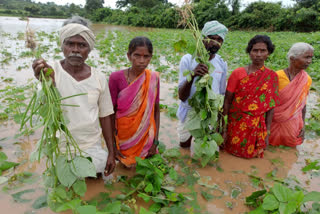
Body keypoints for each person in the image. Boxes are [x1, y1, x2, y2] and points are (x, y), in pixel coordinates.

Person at [32, 16, 116, 176]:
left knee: (95, 181)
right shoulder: (50, 71)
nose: (75, 50)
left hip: (91, 145)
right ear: (62, 45)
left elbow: (105, 116)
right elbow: (44, 108)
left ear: (89, 48)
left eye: (82, 45)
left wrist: (111, 152)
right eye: (70, 43)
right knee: (63, 188)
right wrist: (46, 84)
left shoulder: (99, 77)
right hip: (60, 146)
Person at [222, 35, 279, 158]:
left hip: (256, 125)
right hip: (235, 123)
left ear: (268, 53)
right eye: (255, 50)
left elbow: (270, 106)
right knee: (230, 152)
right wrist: (223, 127)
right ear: (249, 52)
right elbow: (227, 101)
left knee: (253, 155)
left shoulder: (271, 76)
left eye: (263, 51)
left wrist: (267, 132)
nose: (258, 54)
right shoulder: (238, 73)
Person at [108, 36, 160, 168]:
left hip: (146, 137)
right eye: (137, 55)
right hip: (123, 136)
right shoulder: (116, 78)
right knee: (125, 166)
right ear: (129, 56)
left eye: (146, 56)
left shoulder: (153, 78)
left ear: (150, 57)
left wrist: (155, 141)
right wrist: (113, 144)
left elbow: (156, 110)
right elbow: (110, 112)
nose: (141, 61)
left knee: (142, 169)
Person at [177, 20, 228, 148]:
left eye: (219, 39)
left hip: (209, 112)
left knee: (205, 145)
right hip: (190, 110)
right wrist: (193, 74)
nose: (215, 43)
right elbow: (182, 96)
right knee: (184, 144)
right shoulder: (188, 59)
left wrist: (221, 122)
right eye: (211, 38)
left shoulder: (221, 63)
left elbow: (221, 94)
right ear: (203, 38)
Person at [269, 43, 314, 147]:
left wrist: (303, 125)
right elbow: (268, 104)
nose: (309, 61)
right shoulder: (276, 76)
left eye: (311, 58)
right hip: (274, 122)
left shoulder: (306, 79)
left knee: (290, 148)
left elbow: (302, 105)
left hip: (292, 124)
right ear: (293, 58)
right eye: (306, 57)